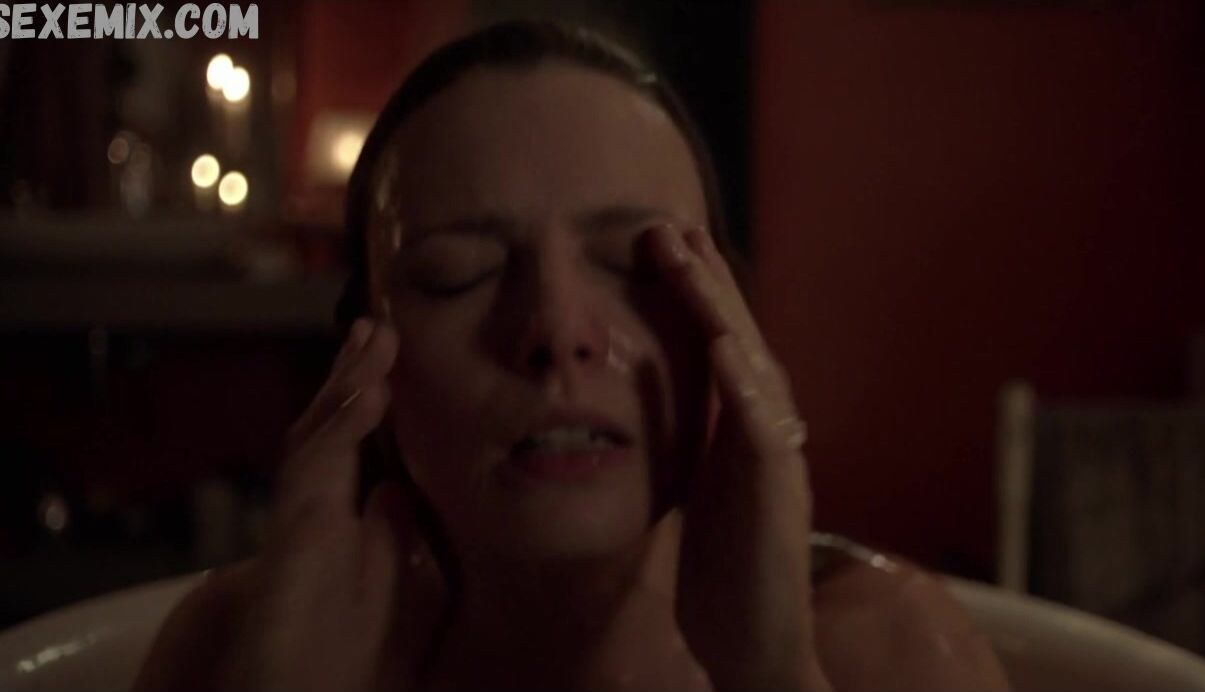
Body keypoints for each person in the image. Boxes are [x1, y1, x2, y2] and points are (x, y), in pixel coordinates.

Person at [134, 20, 1010, 692]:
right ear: (361, 355)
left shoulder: (885, 656)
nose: (557, 329)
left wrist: (775, 675)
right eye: (458, 274)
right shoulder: (237, 651)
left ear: (730, 329)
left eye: (638, 264)